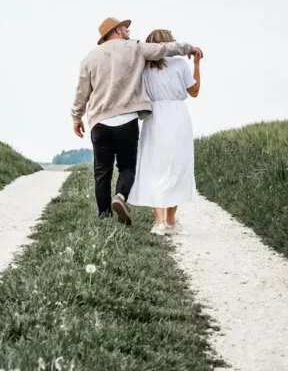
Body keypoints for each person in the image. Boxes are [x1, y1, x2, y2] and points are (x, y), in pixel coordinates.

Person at [71, 17, 203, 225]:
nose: (128, 30)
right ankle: (121, 196)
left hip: (99, 121)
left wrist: (77, 117)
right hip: (127, 119)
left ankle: (104, 216)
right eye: (125, 28)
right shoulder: (135, 48)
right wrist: (188, 48)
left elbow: (82, 92)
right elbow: (163, 50)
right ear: (116, 31)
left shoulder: (90, 58)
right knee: (127, 167)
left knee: (102, 170)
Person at [127, 29, 201, 235]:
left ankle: (159, 222)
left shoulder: (144, 68)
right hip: (177, 116)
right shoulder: (180, 64)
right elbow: (194, 92)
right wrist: (196, 64)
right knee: (177, 166)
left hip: (154, 116)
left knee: (154, 167)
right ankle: (170, 220)